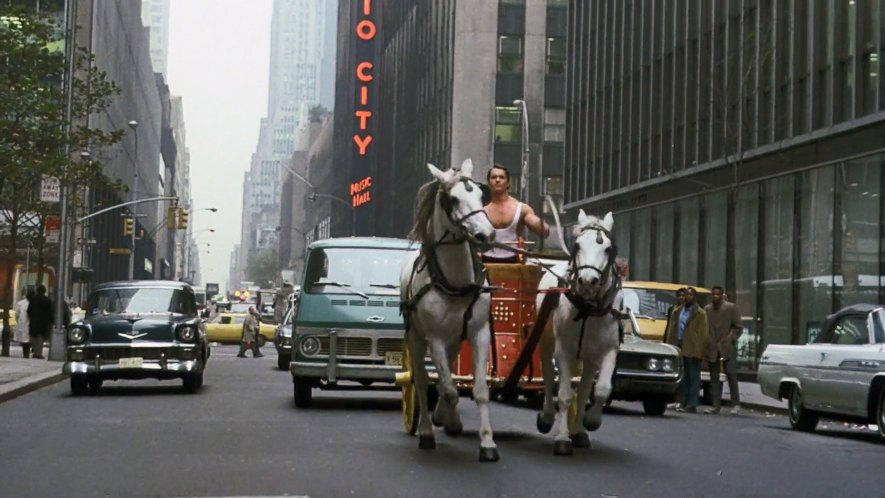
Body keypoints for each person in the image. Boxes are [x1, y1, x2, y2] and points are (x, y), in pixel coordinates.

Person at [481, 164, 550, 263]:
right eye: (493, 177)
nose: (497, 180)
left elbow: (542, 229)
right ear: (488, 183)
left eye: (501, 177)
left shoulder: (521, 209)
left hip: (514, 261)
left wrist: (540, 226)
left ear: (508, 183)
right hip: (486, 261)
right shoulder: (481, 212)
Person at [664, 286, 708, 413]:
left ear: (695, 297)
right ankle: (681, 401)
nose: (688, 297)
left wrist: (699, 351)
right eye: (686, 295)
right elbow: (672, 330)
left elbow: (703, 334)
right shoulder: (677, 311)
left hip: (692, 348)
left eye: (691, 295)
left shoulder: (700, 313)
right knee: (682, 377)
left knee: (693, 376)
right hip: (678, 347)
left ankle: (692, 403)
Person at [704, 286, 743, 415]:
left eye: (717, 295)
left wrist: (731, 338)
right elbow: (705, 328)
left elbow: (738, 327)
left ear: (722, 295)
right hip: (713, 347)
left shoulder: (730, 308)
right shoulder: (707, 310)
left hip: (727, 347)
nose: (715, 297)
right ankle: (715, 406)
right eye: (713, 295)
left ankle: (736, 404)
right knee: (714, 377)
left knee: (731, 374)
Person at [26, 284, 53, 360]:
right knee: (40, 337)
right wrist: (50, 321)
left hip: (34, 321)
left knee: (33, 337)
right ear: (44, 291)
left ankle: (35, 352)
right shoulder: (47, 300)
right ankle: (39, 353)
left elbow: (29, 310)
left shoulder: (33, 300)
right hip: (43, 322)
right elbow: (50, 312)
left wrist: (31, 317)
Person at [13, 290, 31, 358]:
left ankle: (26, 353)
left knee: (25, 340)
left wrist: (18, 321)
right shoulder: (29, 303)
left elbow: (17, 314)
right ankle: (27, 353)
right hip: (26, 323)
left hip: (22, 322)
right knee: (27, 339)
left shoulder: (20, 303)